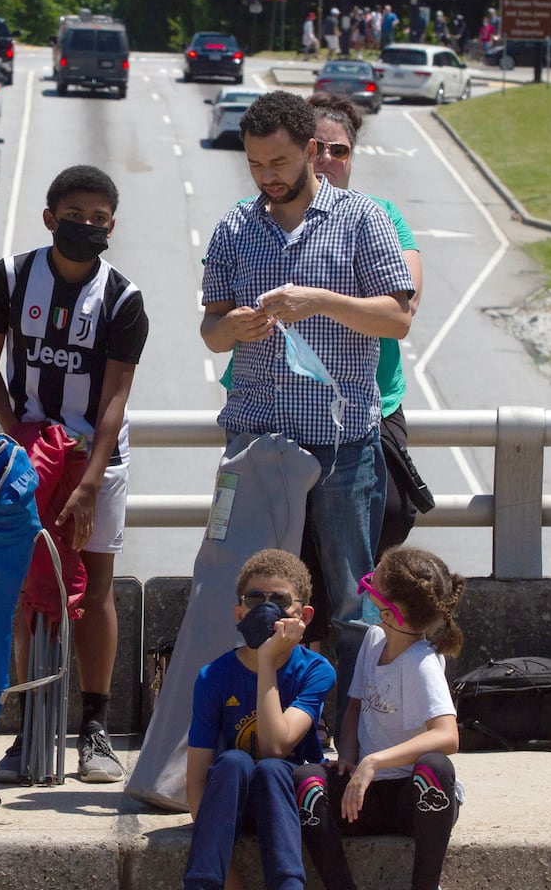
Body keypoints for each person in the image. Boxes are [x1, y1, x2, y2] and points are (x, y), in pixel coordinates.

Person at [200, 90, 414, 734]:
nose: (268, 176)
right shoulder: (235, 227)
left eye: (281, 162)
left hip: (343, 446)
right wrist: (234, 326)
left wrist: (319, 300)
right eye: (256, 164)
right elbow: (209, 331)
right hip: (256, 441)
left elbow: (398, 318)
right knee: (247, 598)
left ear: (313, 153)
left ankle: (350, 736)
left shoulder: (362, 219)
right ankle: (248, 730)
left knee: (351, 604)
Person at [0, 165, 149, 784]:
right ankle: (27, 727)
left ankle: (94, 728)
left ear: (112, 228)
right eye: (75, 216)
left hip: (99, 456)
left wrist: (90, 481)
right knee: (29, 590)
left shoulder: (124, 300)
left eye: (99, 220)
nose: (86, 227)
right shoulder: (11, 278)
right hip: (30, 451)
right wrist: (16, 431)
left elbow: (114, 400)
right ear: (49, 218)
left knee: (95, 585)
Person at [295, 93, 430, 664]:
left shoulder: (381, 218)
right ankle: (307, 659)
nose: (328, 160)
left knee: (392, 510)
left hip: (367, 402)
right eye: (317, 149)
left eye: (340, 151)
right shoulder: (265, 218)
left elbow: (402, 306)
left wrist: (319, 299)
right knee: (296, 535)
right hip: (288, 402)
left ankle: (342, 649)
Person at [293, 546, 465, 890]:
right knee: (306, 781)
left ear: (391, 611)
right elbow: (355, 706)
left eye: (373, 587)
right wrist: (348, 756)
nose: (366, 592)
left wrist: (374, 761)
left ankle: (425, 885)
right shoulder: (374, 639)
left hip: (412, 799)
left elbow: (448, 736)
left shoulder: (421, 662)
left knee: (436, 767)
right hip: (364, 793)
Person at [183, 548, 333, 890]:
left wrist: (267, 661)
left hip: (289, 805)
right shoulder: (212, 677)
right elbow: (195, 782)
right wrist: (231, 882)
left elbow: (275, 746)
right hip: (230, 803)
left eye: (279, 600)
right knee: (234, 761)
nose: (266, 609)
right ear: (239, 612)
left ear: (304, 616)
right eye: (255, 598)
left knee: (271, 768)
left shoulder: (315, 670)